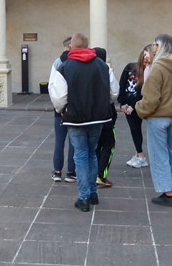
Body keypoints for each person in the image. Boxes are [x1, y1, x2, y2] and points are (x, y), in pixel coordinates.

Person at [49, 33, 118, 212]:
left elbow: (59, 97)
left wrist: (62, 110)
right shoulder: (103, 66)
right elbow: (114, 92)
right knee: (92, 154)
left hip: (75, 118)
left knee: (80, 155)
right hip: (98, 118)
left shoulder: (65, 67)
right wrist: (103, 105)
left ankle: (84, 197)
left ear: (71, 46)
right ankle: (93, 193)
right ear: (87, 46)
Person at [136, 34, 172, 207]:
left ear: (159, 46)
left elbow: (151, 99)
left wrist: (140, 110)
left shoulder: (158, 67)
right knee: (168, 153)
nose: (152, 48)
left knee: (159, 156)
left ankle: (167, 193)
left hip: (158, 118)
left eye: (154, 45)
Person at [118, 44, 153, 169]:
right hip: (127, 104)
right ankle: (138, 154)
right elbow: (122, 85)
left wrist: (133, 105)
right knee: (134, 129)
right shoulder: (130, 68)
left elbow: (144, 91)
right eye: (143, 55)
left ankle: (141, 156)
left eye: (147, 56)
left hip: (139, 104)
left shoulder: (150, 71)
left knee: (136, 129)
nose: (145, 58)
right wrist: (122, 103)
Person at [51, 37, 76, 183]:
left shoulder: (57, 62)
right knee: (73, 141)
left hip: (60, 109)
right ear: (71, 45)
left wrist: (58, 107)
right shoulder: (78, 62)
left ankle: (57, 172)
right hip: (74, 108)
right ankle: (71, 172)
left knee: (59, 141)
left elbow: (52, 86)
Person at [94, 47, 119, 188]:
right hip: (105, 114)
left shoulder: (86, 69)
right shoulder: (105, 69)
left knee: (95, 146)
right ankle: (100, 175)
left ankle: (92, 174)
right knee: (109, 144)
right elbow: (114, 92)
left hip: (90, 114)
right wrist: (107, 101)